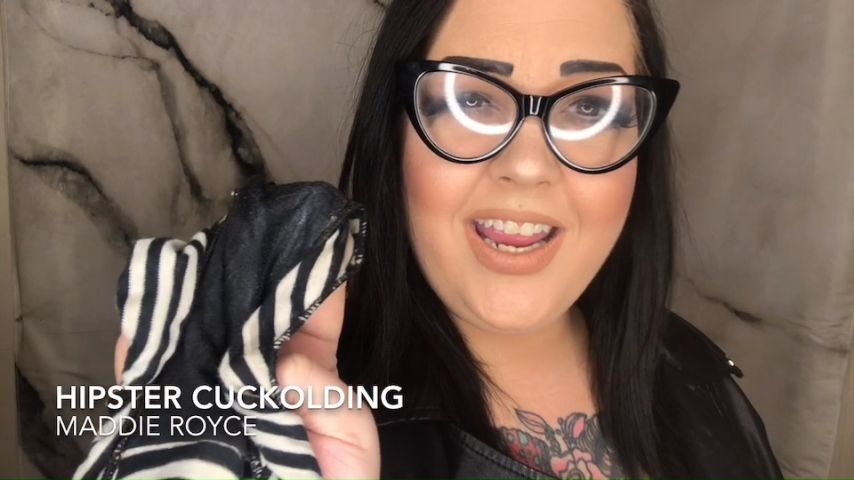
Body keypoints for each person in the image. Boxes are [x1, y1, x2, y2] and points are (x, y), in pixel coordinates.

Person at [115, 0, 784, 478]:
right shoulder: (283, 412)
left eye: (589, 105)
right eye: (472, 99)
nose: (527, 167)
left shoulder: (695, 373)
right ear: (397, 130)